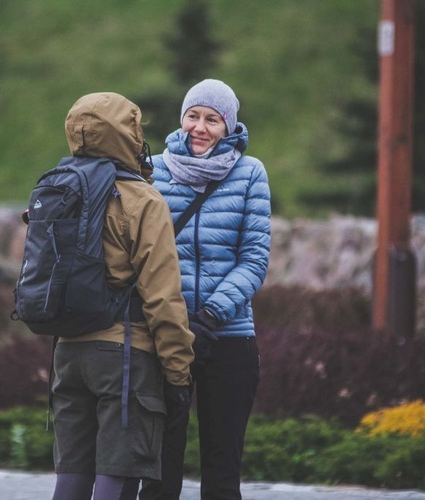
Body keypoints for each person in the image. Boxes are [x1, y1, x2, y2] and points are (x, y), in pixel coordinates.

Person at [50, 92, 195, 500]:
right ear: (125, 135)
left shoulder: (58, 189)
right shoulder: (142, 200)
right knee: (118, 474)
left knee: (71, 475)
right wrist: (179, 373)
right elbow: (162, 297)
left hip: (66, 353)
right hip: (125, 358)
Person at [139, 79, 271, 500]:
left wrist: (212, 314)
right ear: (181, 119)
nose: (200, 127)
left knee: (221, 470)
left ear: (229, 126)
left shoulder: (250, 173)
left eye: (213, 119)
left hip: (227, 336)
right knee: (159, 471)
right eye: (193, 116)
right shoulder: (152, 170)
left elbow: (254, 258)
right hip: (165, 335)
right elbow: (141, 253)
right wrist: (174, 316)